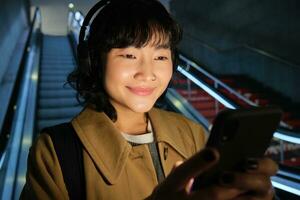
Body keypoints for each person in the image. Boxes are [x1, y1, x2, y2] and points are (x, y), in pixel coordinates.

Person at [21, 0, 278, 199]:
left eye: (161, 57)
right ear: (94, 61)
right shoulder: (56, 152)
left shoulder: (192, 133)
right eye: (129, 55)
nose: (147, 73)